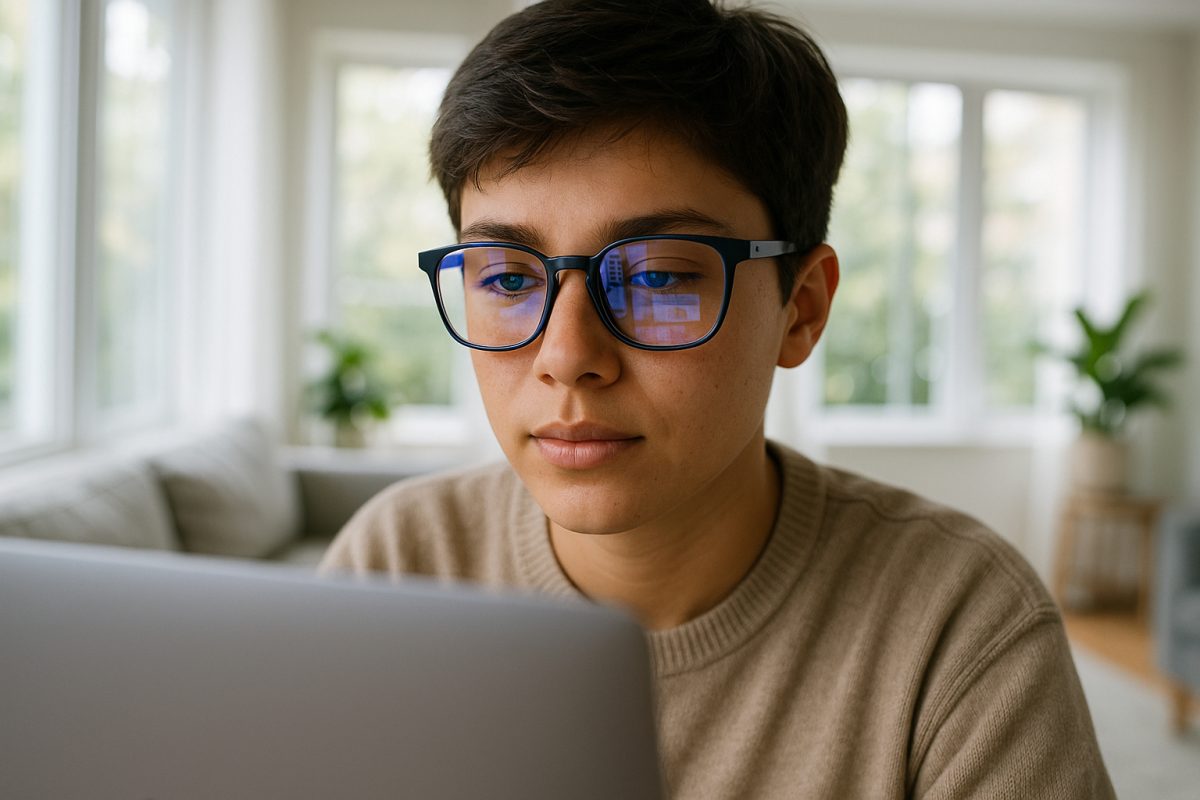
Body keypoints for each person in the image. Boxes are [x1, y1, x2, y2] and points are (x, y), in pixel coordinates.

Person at [319, 0, 1115, 796]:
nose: (566, 357)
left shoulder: (959, 627)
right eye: (505, 277)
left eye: (658, 276)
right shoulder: (396, 568)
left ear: (799, 310)